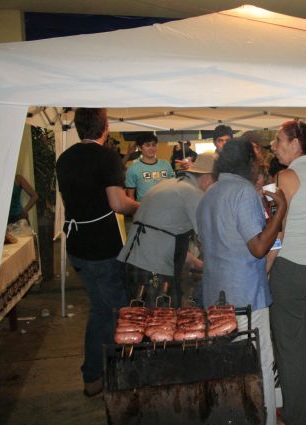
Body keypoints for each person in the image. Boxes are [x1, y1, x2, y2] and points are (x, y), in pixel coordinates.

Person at [197, 138, 287, 425]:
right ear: (248, 162)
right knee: (260, 364)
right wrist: (280, 211)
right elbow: (258, 247)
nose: (260, 164)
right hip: (246, 298)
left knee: (228, 368)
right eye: (257, 159)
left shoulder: (210, 193)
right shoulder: (244, 192)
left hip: (215, 296)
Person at [56, 108, 139, 397]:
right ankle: (118, 377)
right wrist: (143, 206)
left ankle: (94, 376)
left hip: (76, 246)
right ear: (105, 126)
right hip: (101, 247)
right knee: (117, 312)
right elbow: (118, 203)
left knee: (100, 309)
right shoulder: (106, 157)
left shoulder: (65, 158)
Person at [267, 121, 306, 425]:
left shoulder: (287, 176)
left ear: (295, 143)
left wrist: (266, 268)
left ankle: (294, 416)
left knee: (289, 347)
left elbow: (277, 232)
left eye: (278, 140)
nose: (274, 146)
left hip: (292, 266)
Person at [118, 153, 215, 307]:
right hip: (152, 269)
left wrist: (196, 263)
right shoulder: (193, 193)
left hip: (131, 263)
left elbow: (164, 232)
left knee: (139, 315)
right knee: (161, 318)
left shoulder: (168, 185)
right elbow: (209, 239)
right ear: (208, 179)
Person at [125, 133, 175, 201]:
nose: (151, 148)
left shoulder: (165, 164)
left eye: (154, 145)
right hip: (145, 206)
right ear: (139, 148)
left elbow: (173, 186)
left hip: (167, 204)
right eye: (147, 145)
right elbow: (130, 196)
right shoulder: (133, 169)